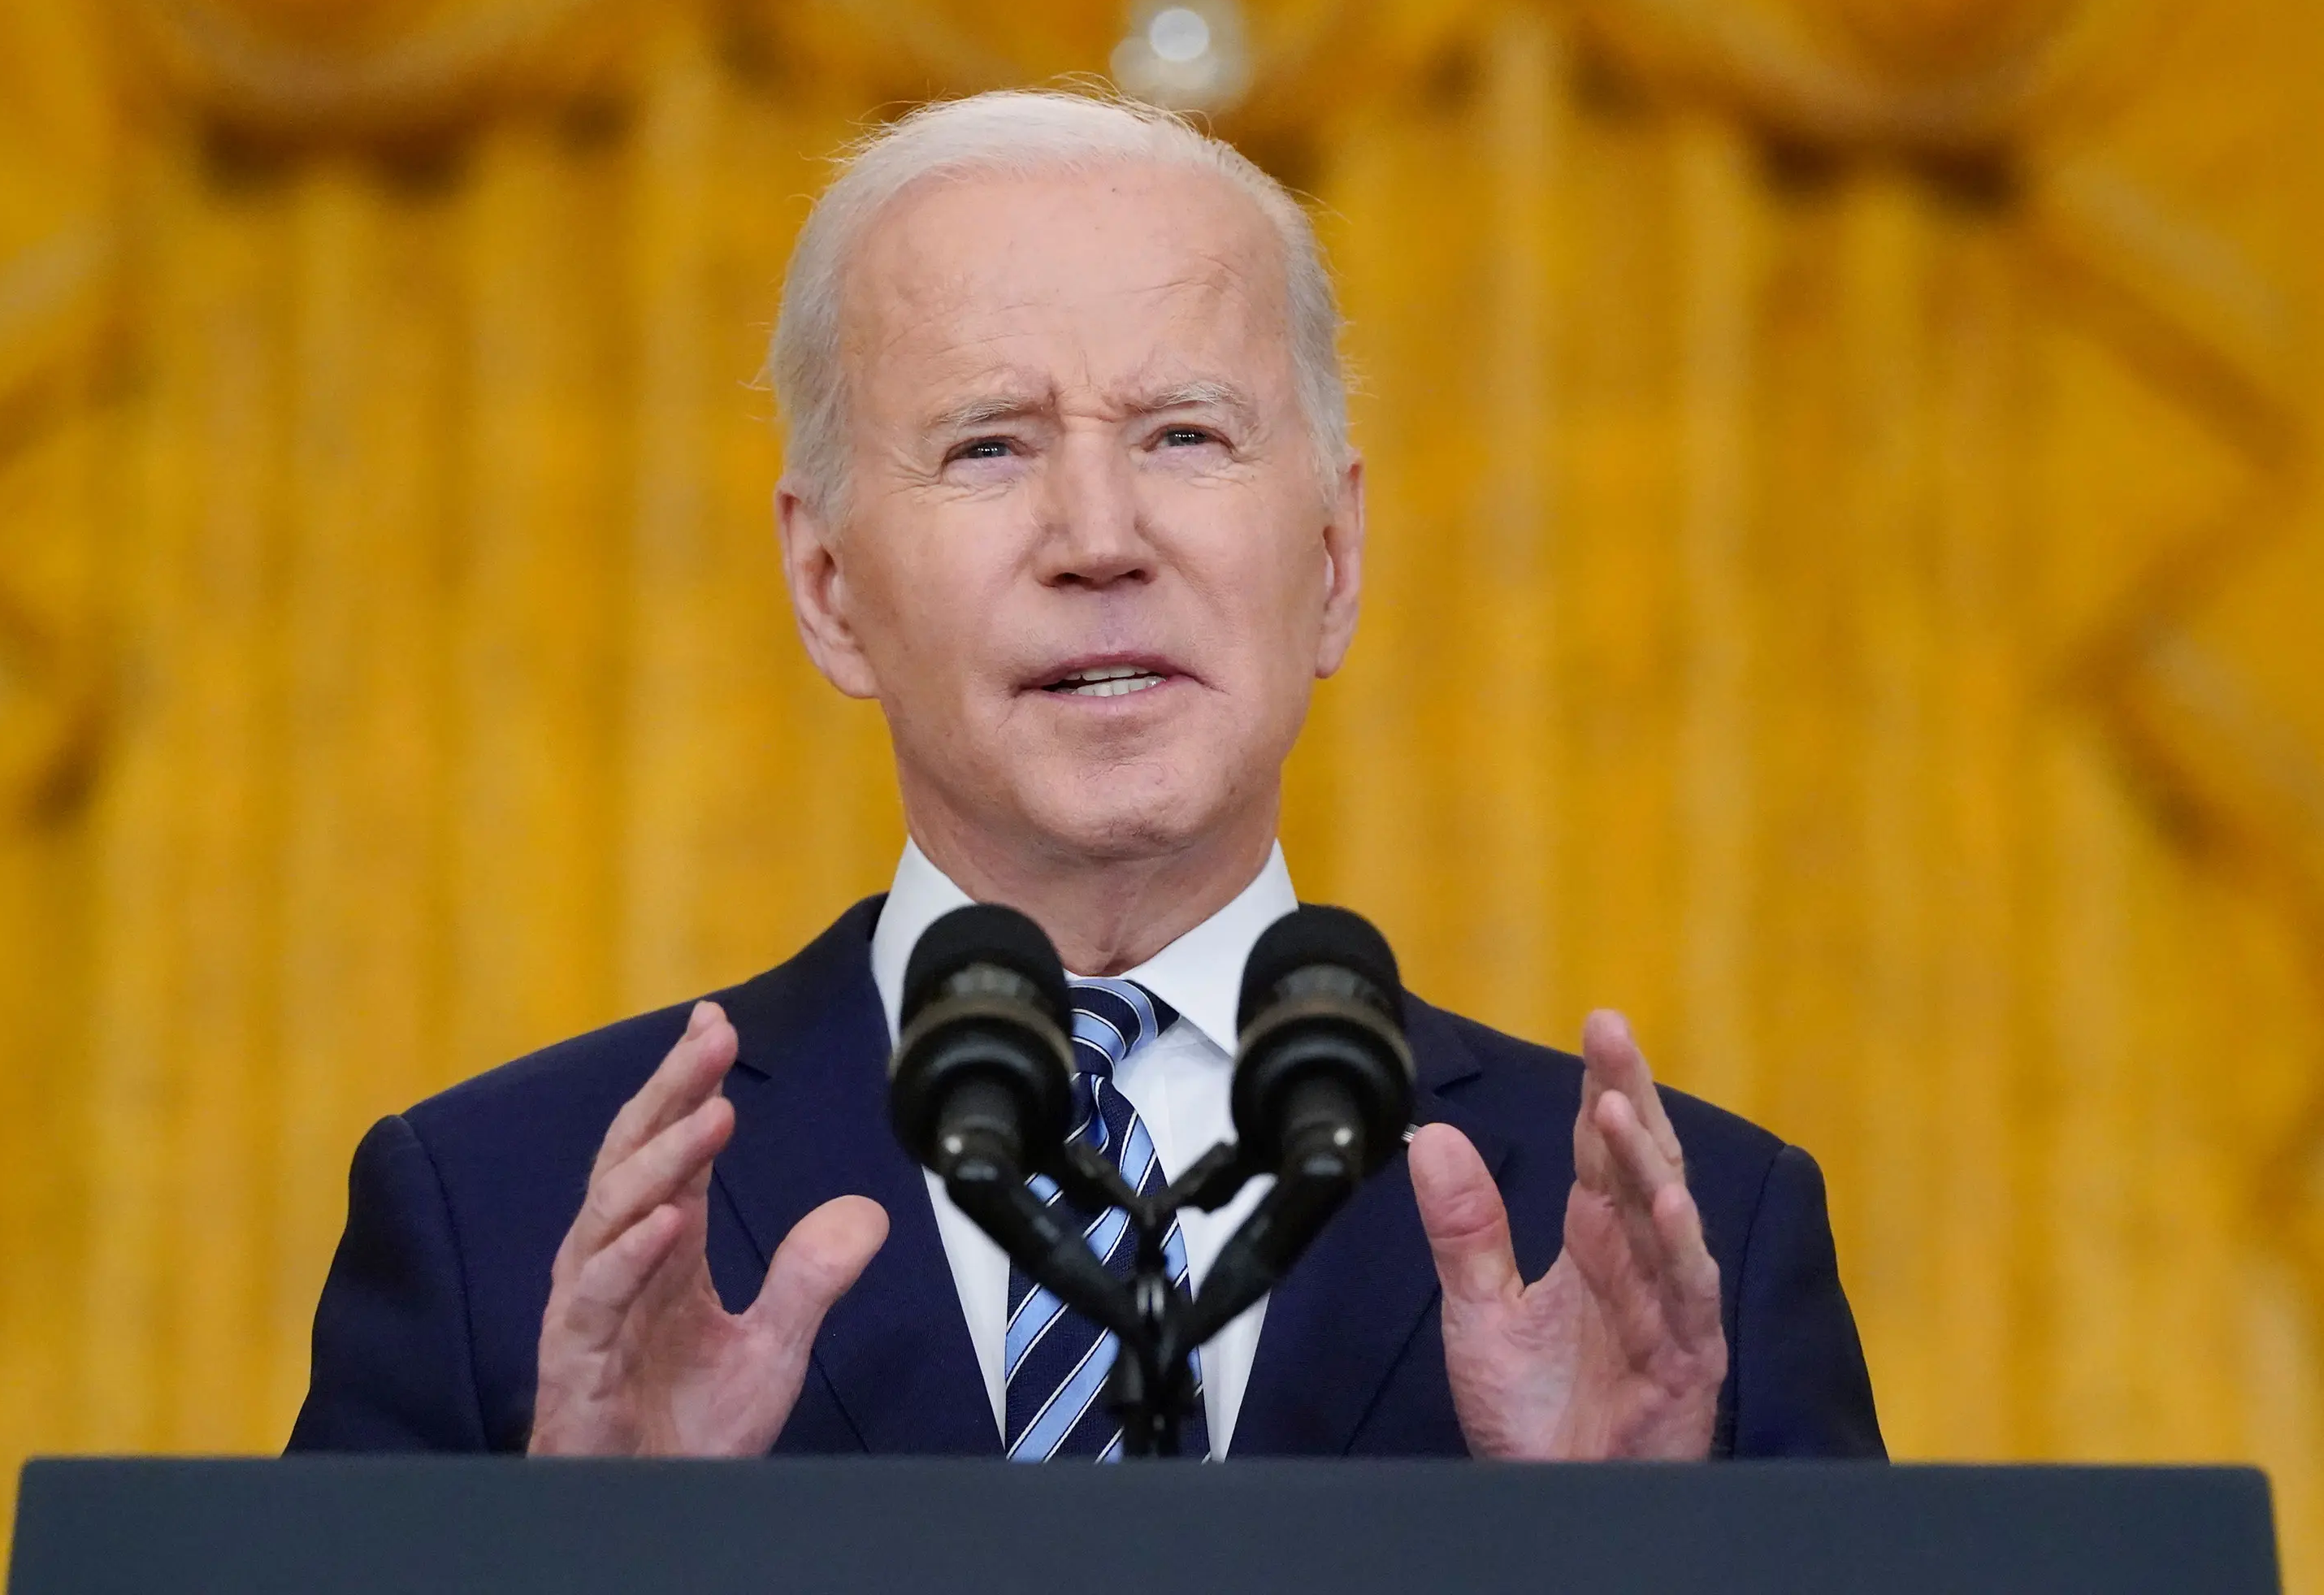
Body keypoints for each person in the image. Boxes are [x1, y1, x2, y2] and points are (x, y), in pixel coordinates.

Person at [288, 89, 1884, 1463]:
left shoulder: (1694, 1256)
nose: (1101, 538)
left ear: (1333, 559)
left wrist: (1635, 1559)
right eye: (989, 443)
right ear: (830, 585)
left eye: (1185, 434)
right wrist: (587, 1567)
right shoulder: (501, 1218)